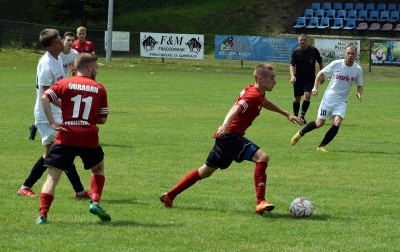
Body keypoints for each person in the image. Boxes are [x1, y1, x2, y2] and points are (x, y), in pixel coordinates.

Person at [159, 63, 303, 215]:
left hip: (225, 138)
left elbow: (264, 102)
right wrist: (226, 126)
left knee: (205, 171)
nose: (275, 81)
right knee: (263, 157)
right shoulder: (252, 95)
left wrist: (286, 113)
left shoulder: (256, 92)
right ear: (261, 79)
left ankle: (169, 195)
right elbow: (236, 108)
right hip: (230, 137)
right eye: (272, 78)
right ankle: (260, 201)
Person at [36, 53, 110, 224]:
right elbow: (103, 119)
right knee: (98, 169)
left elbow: (45, 98)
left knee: (52, 176)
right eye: (96, 68)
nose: (97, 72)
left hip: (66, 135)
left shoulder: (64, 83)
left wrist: (53, 122)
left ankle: (42, 214)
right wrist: (88, 119)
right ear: (90, 67)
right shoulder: (99, 88)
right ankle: (95, 202)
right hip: (88, 137)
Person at [18, 29, 91, 199]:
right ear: (49, 46)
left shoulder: (57, 59)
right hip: (46, 114)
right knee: (61, 152)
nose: (62, 42)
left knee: (54, 153)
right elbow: (45, 95)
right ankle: (79, 191)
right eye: (59, 41)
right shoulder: (46, 64)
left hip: (55, 111)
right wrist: (62, 110)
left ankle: (26, 186)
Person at [290, 45, 363, 152]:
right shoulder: (336, 64)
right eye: (348, 53)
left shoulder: (357, 69)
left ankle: (321, 146)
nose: (350, 55)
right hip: (329, 98)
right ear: (345, 54)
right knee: (319, 124)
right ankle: (300, 133)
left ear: (356, 55)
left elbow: (360, 86)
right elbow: (320, 73)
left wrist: (359, 93)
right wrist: (315, 87)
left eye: (352, 54)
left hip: (342, 101)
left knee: (337, 122)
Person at [289, 34, 324, 124]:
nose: (303, 41)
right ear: (298, 41)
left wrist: (322, 75)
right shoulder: (296, 52)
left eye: (304, 40)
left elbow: (320, 61)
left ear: (308, 41)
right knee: (297, 98)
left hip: (310, 78)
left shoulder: (313, 50)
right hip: (298, 78)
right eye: (301, 40)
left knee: (307, 96)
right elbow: (292, 65)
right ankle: (295, 116)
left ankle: (302, 116)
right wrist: (292, 76)